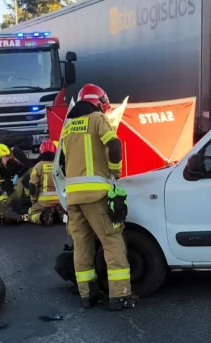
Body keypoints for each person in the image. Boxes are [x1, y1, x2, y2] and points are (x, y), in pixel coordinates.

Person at [60, 83, 135, 311]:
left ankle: (88, 295)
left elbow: (63, 163)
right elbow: (113, 144)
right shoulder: (97, 119)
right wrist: (115, 172)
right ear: (99, 102)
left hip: (73, 197)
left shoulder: (68, 127)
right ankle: (119, 295)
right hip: (96, 194)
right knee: (112, 241)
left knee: (82, 245)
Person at [25, 140, 62, 226]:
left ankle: (43, 217)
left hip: (44, 202)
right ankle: (62, 215)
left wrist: (33, 201)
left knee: (30, 214)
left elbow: (32, 186)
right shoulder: (58, 165)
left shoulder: (38, 166)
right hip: (60, 200)